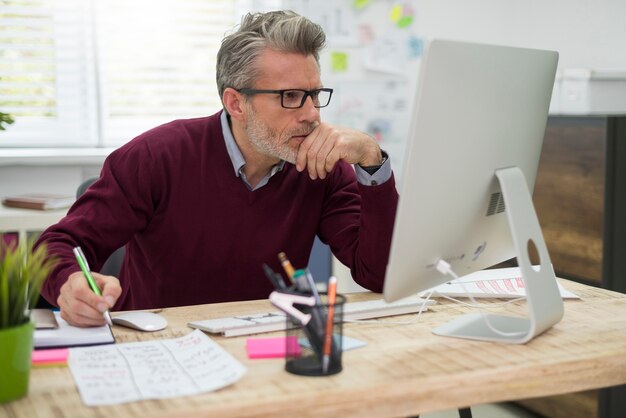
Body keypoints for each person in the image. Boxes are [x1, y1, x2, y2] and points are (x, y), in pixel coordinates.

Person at [36, 10, 399, 327]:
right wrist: (70, 284)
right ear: (236, 103)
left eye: (315, 95)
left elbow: (379, 275)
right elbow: (58, 244)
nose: (312, 114)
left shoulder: (321, 167)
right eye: (290, 97)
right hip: (161, 342)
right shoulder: (156, 156)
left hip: (262, 343)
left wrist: (372, 160)